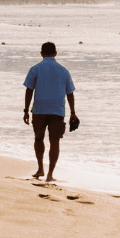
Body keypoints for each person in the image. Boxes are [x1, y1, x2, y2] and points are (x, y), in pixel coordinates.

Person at [22, 41, 78, 182]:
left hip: (39, 110)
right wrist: (72, 112)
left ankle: (40, 168)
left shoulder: (35, 69)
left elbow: (29, 90)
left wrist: (26, 110)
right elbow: (70, 93)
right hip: (57, 111)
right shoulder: (64, 70)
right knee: (55, 142)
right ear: (55, 53)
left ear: (41, 53)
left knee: (38, 138)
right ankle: (50, 174)